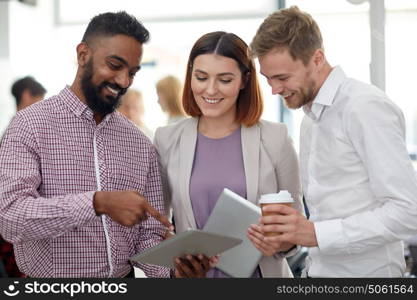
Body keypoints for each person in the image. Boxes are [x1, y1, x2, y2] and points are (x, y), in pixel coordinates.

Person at [0, 11, 203, 278]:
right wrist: (97, 203)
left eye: (132, 72)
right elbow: (11, 217)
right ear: (83, 54)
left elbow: (149, 235)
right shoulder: (29, 125)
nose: (124, 81)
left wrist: (173, 271)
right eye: (114, 65)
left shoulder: (140, 143)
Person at [249, 6, 417, 277]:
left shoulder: (364, 107)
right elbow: (326, 215)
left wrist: (316, 233)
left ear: (317, 59)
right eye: (268, 79)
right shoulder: (309, 120)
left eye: (282, 78)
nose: (274, 90)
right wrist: (290, 238)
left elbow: (409, 212)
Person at [154, 31, 304, 278]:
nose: (210, 90)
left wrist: (279, 242)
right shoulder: (167, 139)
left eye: (224, 80)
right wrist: (176, 262)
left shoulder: (275, 138)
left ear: (244, 80)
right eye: (201, 77)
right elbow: (158, 225)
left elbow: (294, 227)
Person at [0, 76, 46, 277]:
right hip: (14, 225)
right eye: (40, 99)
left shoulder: (11, 130)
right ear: (27, 95)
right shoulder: (19, 133)